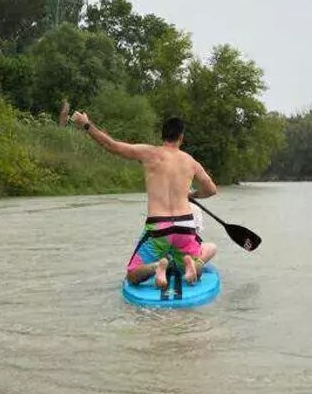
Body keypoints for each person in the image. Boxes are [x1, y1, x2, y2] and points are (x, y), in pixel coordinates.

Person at [71, 112, 218, 288]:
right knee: (203, 253)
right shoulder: (191, 162)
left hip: (159, 228)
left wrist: (86, 125)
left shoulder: (149, 153)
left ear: (162, 135)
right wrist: (192, 195)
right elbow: (211, 190)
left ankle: (157, 266)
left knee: (132, 275)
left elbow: (112, 145)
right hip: (185, 228)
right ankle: (191, 265)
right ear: (181, 137)